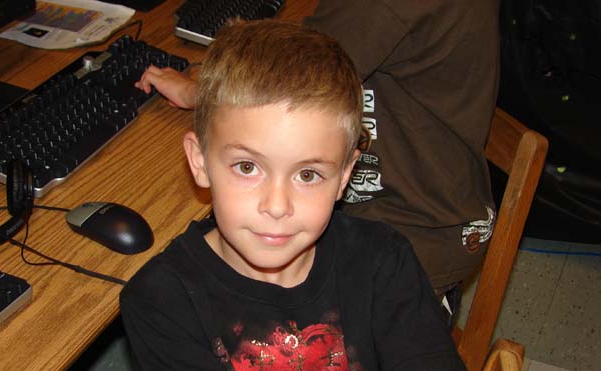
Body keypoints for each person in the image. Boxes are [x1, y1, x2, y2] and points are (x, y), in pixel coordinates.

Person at [122, 20, 483, 371]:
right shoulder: (162, 297)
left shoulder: (382, 261)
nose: (277, 206)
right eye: (247, 167)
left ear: (345, 175)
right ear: (200, 162)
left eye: (308, 174)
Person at [135, 0, 500, 315]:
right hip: (441, 201)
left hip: (416, 226)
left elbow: (286, 82)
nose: (276, 204)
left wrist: (198, 92)